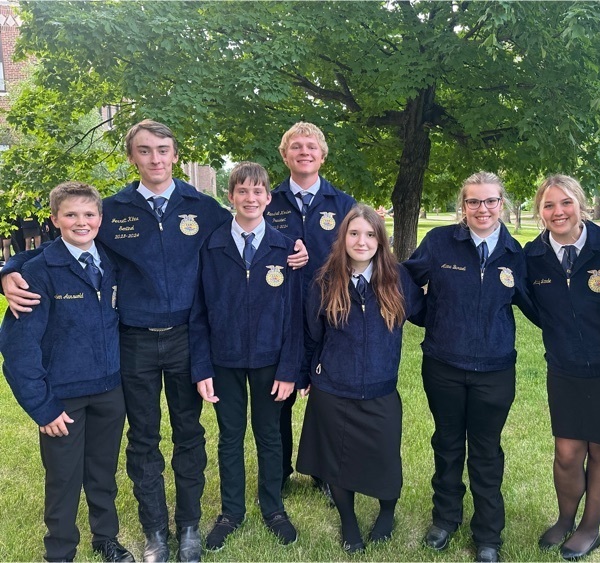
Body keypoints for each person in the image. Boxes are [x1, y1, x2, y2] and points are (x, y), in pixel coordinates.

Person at [0, 120, 310, 562]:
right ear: (132, 157)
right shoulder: (112, 210)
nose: (155, 158)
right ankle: (155, 532)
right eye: (144, 150)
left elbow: (249, 228)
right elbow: (67, 243)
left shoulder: (202, 207)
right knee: (144, 438)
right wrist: (9, 270)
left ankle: (189, 527)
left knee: (189, 434)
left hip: (187, 339)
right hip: (134, 342)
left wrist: (294, 249)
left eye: (163, 149)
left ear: (176, 155)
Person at [403, 171, 535, 563]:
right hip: (443, 364)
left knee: (486, 451)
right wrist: (428, 315)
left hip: (495, 370)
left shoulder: (515, 253)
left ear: (501, 204)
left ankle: (488, 534)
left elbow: (538, 305)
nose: (482, 208)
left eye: (491, 200)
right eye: (473, 201)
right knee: (446, 444)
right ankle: (445, 519)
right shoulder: (439, 242)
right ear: (463, 205)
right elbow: (403, 278)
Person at [0, 182, 134, 562]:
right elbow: (18, 348)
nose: (81, 222)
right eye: (71, 214)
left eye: (89, 214)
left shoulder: (111, 261)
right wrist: (43, 407)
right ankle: (60, 550)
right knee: (63, 477)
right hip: (63, 399)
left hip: (109, 390)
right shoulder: (37, 272)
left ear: (100, 219)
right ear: (54, 219)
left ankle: (105, 538)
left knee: (103, 473)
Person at [296, 204, 424, 554]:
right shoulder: (324, 281)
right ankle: (349, 521)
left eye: (369, 234)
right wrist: (306, 374)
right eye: (354, 233)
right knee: (338, 464)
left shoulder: (398, 280)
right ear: (343, 238)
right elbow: (312, 335)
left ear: (381, 241)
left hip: (380, 389)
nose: (361, 241)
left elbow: (428, 313)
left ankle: (387, 512)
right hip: (333, 387)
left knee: (386, 459)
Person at [189, 162, 303, 550]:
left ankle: (273, 508)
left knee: (270, 435)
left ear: (268, 198)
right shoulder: (212, 246)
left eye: (257, 192)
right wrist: (202, 366)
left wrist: (289, 369)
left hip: (271, 361)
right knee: (230, 436)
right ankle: (231, 512)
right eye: (242, 191)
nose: (250, 198)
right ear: (231, 196)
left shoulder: (286, 248)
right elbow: (199, 312)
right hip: (225, 359)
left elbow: (295, 315)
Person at [525, 175, 600, 560]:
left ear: (582, 205)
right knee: (567, 453)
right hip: (565, 369)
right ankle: (565, 519)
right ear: (540, 212)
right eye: (549, 205)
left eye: (566, 202)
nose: (559, 212)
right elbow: (532, 306)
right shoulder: (532, 256)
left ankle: (590, 529)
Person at [264, 121, 356, 501]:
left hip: (330, 315)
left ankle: (326, 473)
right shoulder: (268, 201)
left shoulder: (343, 204)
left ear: (322, 155)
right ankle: (278, 471)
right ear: (285, 155)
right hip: (279, 316)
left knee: (329, 399)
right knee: (278, 396)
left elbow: (360, 254)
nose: (304, 152)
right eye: (296, 146)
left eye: (311, 146)